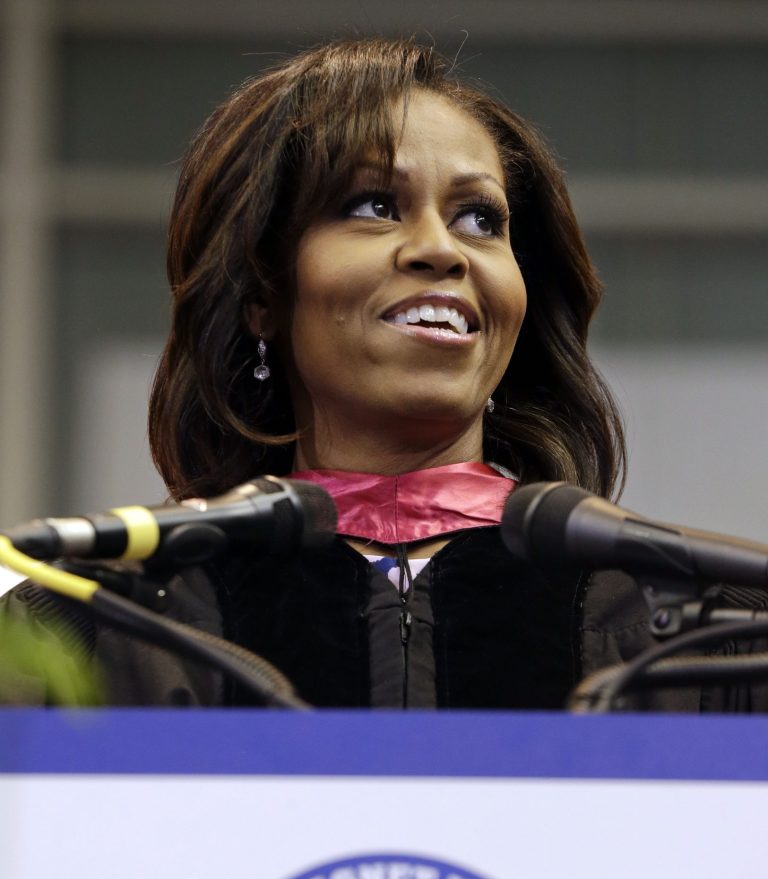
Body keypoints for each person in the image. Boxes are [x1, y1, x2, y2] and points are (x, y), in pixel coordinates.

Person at [0, 38, 762, 709]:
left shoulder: (697, 632)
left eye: (481, 219)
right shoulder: (106, 629)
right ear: (262, 295)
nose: (443, 249)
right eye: (373, 205)